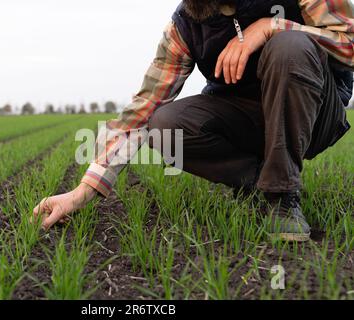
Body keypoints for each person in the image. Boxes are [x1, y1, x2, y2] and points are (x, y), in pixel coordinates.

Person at [33, 0, 353, 242]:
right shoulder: (186, 23)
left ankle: (282, 195)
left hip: (314, 113)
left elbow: (350, 44)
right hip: (245, 119)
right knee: (164, 124)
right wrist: (82, 191)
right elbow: (143, 109)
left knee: (289, 46)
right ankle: (259, 184)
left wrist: (272, 27)